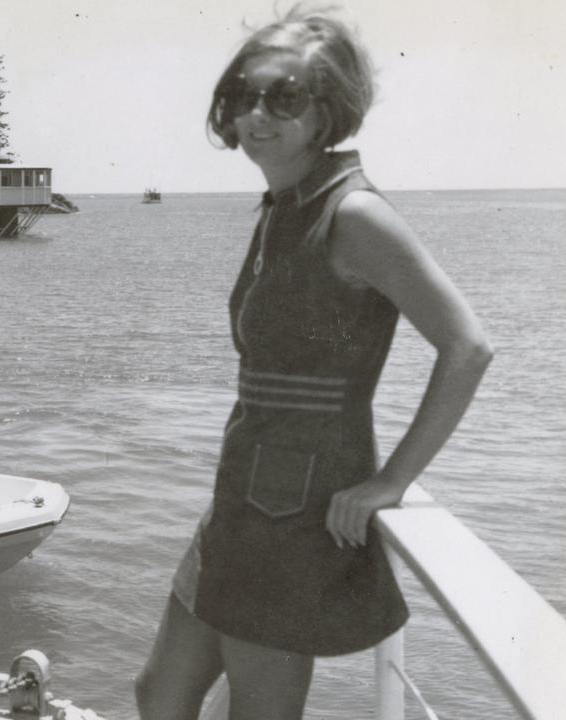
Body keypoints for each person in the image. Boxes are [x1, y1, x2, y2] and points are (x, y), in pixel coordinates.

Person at [135, 6, 493, 720]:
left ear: (329, 108)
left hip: (294, 513)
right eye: (244, 96)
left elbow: (467, 346)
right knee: (160, 693)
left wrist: (391, 480)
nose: (255, 115)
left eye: (284, 96)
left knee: (260, 711)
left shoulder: (353, 215)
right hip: (240, 498)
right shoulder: (283, 206)